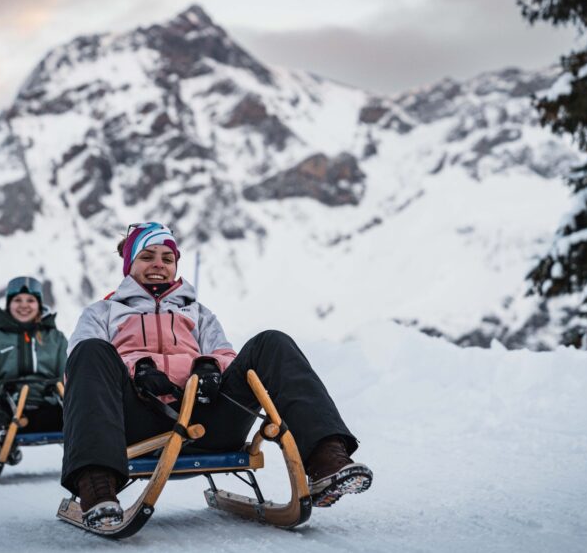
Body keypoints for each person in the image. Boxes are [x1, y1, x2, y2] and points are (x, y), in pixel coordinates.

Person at [61, 222, 372, 526]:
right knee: (90, 350)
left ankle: (326, 460)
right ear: (129, 263)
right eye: (147, 257)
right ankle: (97, 487)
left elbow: (226, 354)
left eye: (167, 259)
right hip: (138, 424)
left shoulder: (198, 313)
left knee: (271, 343)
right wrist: (137, 369)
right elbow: (80, 368)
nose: (158, 265)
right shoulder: (101, 313)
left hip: (207, 421)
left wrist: (209, 366)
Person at [0, 276, 68, 463]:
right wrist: (2, 389)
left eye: (30, 300)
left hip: (47, 410)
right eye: (17, 300)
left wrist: (56, 387)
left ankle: (93, 452)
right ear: (9, 304)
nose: (24, 305)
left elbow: (69, 376)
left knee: (83, 406)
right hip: (7, 411)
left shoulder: (55, 338)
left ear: (39, 304)